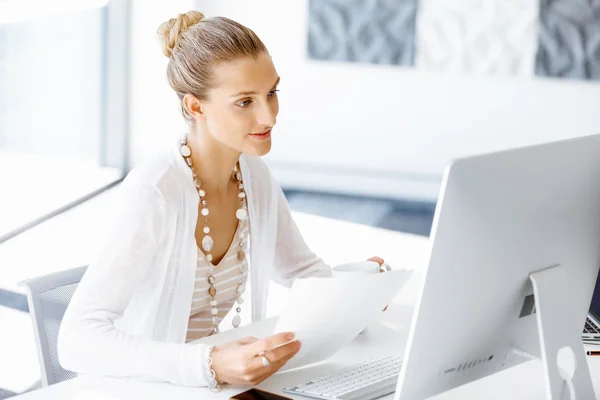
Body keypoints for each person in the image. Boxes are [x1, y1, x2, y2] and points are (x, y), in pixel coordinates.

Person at [57, 10, 385, 391]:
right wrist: (209, 364)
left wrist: (354, 294)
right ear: (196, 107)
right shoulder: (155, 193)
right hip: (142, 389)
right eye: (245, 102)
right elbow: (76, 341)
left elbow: (299, 272)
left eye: (271, 93)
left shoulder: (252, 175)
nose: (270, 117)